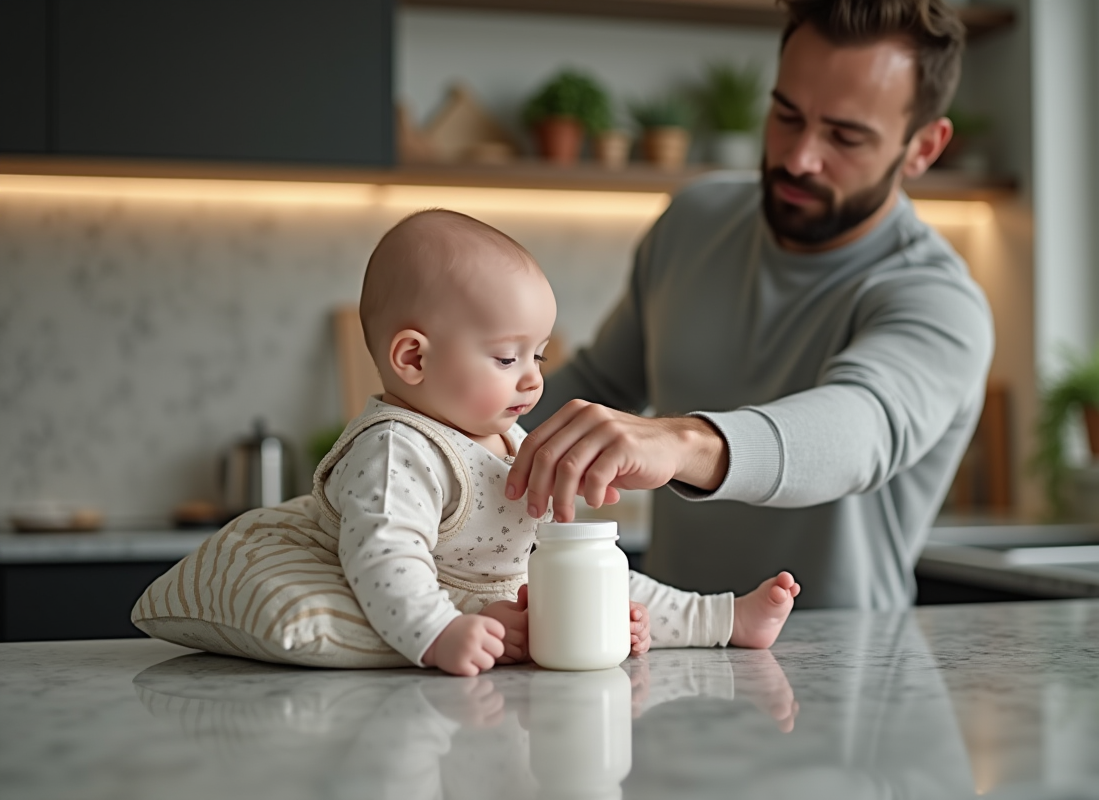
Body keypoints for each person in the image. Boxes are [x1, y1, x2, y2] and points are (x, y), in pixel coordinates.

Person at [508, 0, 994, 609]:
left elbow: (859, 428)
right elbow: (599, 384)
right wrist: (430, 443)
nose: (798, 157)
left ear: (924, 146)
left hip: (846, 674)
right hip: (666, 650)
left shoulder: (940, 301)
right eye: (787, 115)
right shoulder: (693, 221)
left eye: (845, 136)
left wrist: (681, 444)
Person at [319, 209, 800, 677]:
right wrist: (439, 632)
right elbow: (385, 558)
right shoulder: (395, 449)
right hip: (451, 599)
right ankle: (710, 621)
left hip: (517, 586)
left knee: (605, 573)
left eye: (539, 356)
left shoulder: (502, 435)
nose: (532, 379)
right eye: (508, 359)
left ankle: (722, 620)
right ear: (414, 358)